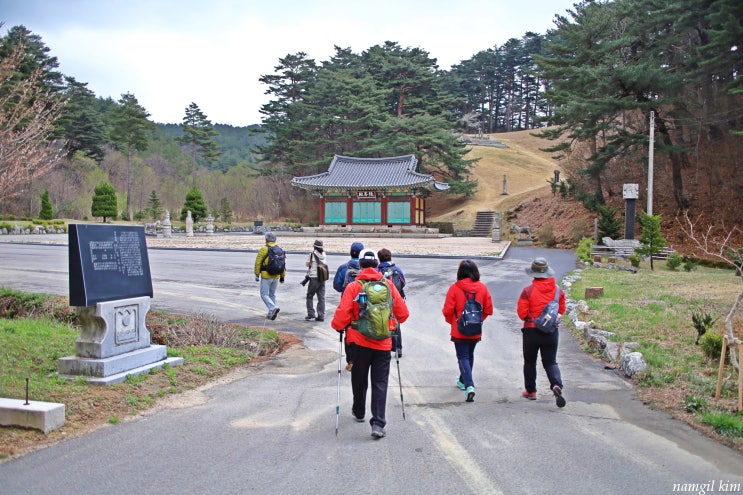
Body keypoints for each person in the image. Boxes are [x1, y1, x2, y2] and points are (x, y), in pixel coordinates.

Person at [331, 249, 409, 439]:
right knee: (380, 382)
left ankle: (359, 411)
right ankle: (378, 423)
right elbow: (403, 315)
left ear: (360, 266)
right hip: (383, 344)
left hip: (358, 343)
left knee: (359, 379)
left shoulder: (353, 287)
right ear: (376, 265)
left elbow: (342, 315)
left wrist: (338, 326)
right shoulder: (388, 285)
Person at [517, 257, 567, 408]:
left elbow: (521, 313)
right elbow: (562, 309)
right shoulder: (558, 291)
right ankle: (556, 385)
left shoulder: (528, 291)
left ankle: (531, 391)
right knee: (550, 362)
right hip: (551, 331)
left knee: (530, 361)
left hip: (531, 331)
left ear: (533, 274)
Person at [442, 259, 493, 402]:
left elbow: (447, 310)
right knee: (469, 355)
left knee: (463, 357)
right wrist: (479, 320)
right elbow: (488, 309)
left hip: (459, 329)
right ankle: (462, 380)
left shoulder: (455, 288)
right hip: (475, 328)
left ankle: (469, 385)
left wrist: (453, 322)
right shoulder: (483, 288)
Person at [333, 241, 364, 370]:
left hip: (348, 304)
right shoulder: (367, 268)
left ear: (350, 252)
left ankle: (351, 361)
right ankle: (362, 360)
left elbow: (337, 286)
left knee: (349, 332)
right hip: (363, 304)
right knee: (363, 331)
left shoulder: (343, 268)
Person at [377, 248, 406, 357]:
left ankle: (384, 346)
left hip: (382, 301)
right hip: (395, 299)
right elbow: (403, 283)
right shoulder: (397, 270)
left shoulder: (378, 271)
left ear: (379, 259)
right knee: (396, 324)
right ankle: (398, 348)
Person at [253, 232, 285, 320]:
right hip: (276, 276)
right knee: (272, 294)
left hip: (266, 275)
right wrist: (282, 276)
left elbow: (258, 262)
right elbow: (283, 264)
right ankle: (271, 314)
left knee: (264, 294)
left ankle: (273, 308)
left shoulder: (264, 249)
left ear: (266, 239)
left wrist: (257, 274)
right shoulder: (279, 249)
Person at [303, 239, 326, 322]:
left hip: (314, 278)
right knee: (321, 297)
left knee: (310, 296)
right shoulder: (324, 254)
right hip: (322, 278)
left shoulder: (312, 254)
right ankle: (321, 315)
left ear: (314, 247)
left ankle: (311, 314)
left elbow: (307, 264)